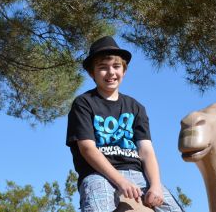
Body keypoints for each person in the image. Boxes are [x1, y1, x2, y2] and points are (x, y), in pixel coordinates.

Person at [66, 36, 184, 212]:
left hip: (137, 175)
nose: (111, 73)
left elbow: (146, 150)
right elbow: (87, 148)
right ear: (92, 73)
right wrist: (120, 181)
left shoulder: (136, 107)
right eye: (103, 68)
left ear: (124, 70)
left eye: (116, 66)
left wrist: (156, 185)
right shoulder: (84, 103)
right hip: (98, 174)